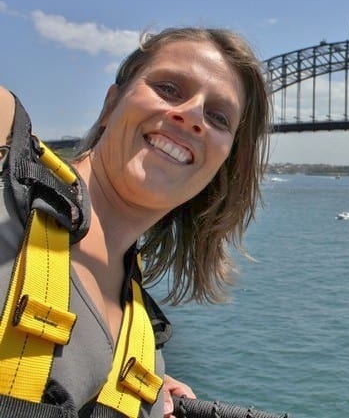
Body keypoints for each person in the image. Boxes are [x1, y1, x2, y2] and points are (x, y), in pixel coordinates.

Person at [0, 27, 271, 417]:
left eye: (219, 117)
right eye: (169, 89)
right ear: (111, 105)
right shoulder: (9, 175)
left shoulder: (143, 353)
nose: (192, 115)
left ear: (223, 163)